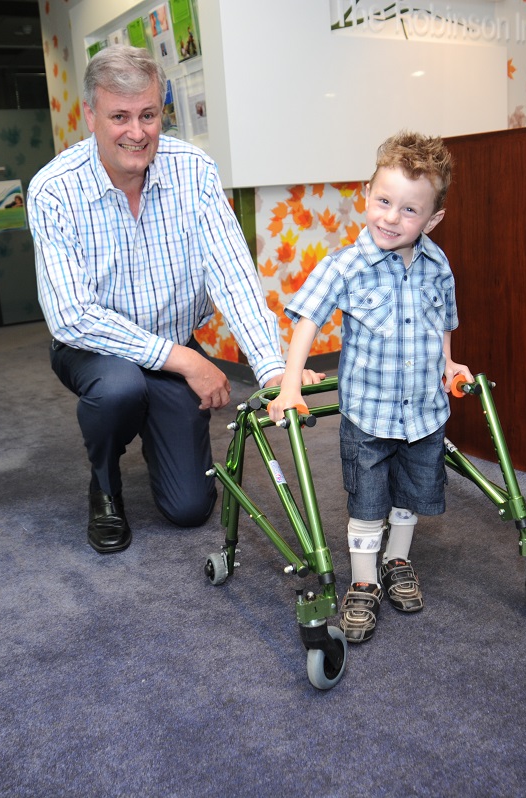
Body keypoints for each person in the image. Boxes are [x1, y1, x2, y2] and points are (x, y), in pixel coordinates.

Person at [28, 45, 321, 554]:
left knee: (189, 509)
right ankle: (105, 483)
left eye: (147, 115)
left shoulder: (194, 171)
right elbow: (71, 316)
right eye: (119, 116)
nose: (136, 132)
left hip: (169, 342)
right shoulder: (54, 190)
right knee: (119, 390)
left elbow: (233, 275)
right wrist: (187, 360)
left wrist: (273, 369)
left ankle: (155, 420)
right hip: (94, 350)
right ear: (91, 117)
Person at [268, 131, 471, 643]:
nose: (390, 217)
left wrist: (448, 365)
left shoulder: (438, 266)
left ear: (432, 219)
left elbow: (442, 320)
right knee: (368, 503)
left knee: (410, 497)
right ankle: (364, 582)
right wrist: (291, 383)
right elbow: (308, 320)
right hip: (370, 416)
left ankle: (398, 561)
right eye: (383, 201)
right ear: (366, 195)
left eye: (408, 210)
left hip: (424, 413)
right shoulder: (346, 265)